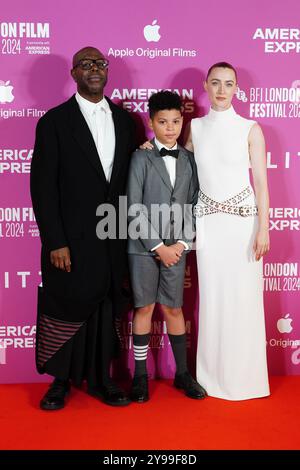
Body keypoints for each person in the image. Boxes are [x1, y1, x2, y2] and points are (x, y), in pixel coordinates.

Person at [30, 46, 136, 410]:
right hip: (70, 239)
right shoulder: (54, 122)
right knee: (67, 305)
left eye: (100, 64)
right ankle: (60, 383)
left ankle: (104, 379)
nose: (94, 69)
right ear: (74, 73)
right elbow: (42, 187)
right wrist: (55, 241)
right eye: (86, 65)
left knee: (106, 306)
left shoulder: (125, 122)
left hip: (112, 237)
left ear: (107, 71)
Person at [185, 62, 270, 400]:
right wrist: (150, 148)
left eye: (229, 84)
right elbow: (178, 165)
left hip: (243, 225)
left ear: (237, 89)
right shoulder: (194, 127)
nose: (222, 90)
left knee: (243, 299)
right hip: (208, 225)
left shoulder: (251, 128)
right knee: (213, 299)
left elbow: (261, 184)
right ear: (205, 85)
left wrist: (263, 228)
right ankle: (211, 377)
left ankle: (246, 380)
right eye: (216, 83)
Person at [127, 91, 206, 402]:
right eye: (163, 122)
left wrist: (183, 242)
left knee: (174, 308)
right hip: (143, 247)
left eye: (175, 121)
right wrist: (158, 245)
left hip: (177, 247)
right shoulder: (140, 157)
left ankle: (182, 373)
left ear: (182, 121)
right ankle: (140, 375)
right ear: (151, 123)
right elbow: (133, 206)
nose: (170, 128)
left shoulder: (189, 160)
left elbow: (195, 203)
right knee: (144, 307)